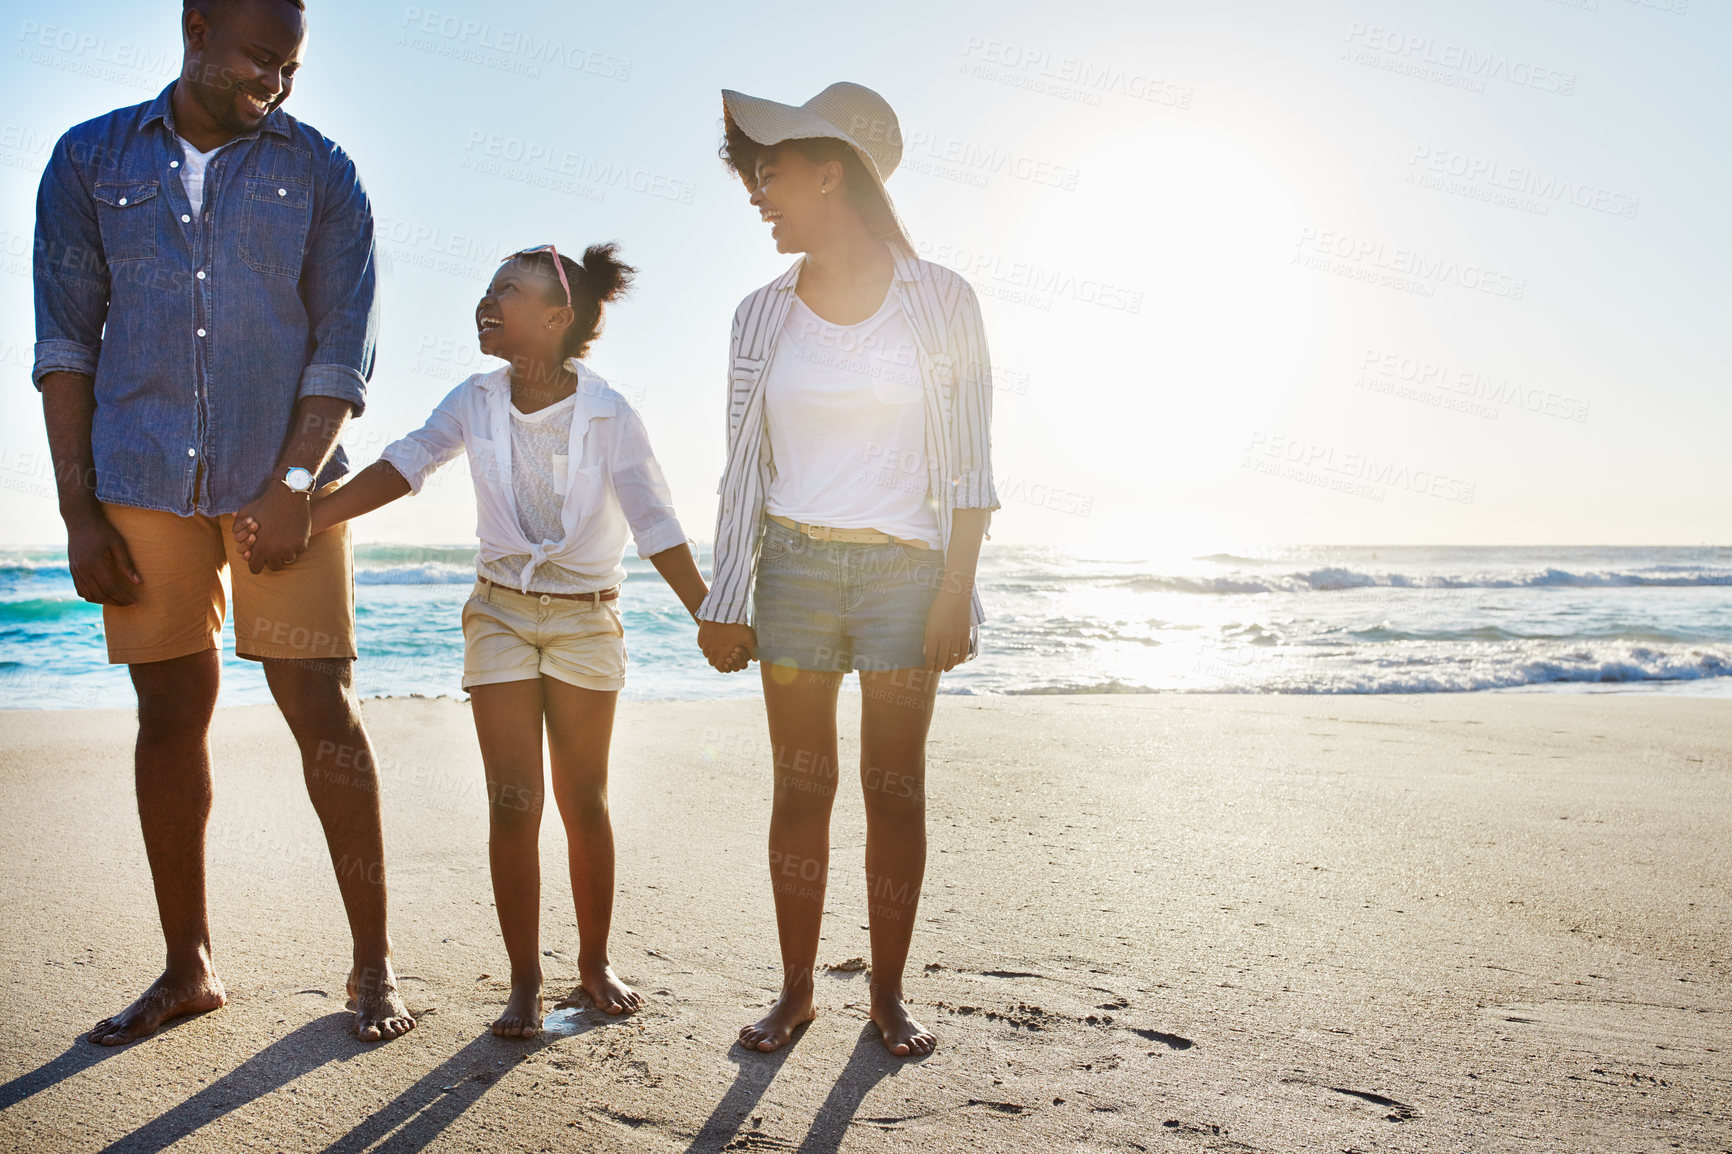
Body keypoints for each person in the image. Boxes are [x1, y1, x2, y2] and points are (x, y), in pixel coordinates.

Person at [33, 0, 414, 1043]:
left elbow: (344, 345)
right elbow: (64, 346)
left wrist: (295, 480)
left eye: (291, 68)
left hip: (279, 486)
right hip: (139, 477)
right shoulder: (86, 159)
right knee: (169, 714)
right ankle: (186, 965)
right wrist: (77, 509)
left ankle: (374, 967)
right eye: (259, 60)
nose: (276, 85)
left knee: (322, 709)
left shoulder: (325, 170)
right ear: (196, 28)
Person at [238, 243, 723, 1036]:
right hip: (499, 613)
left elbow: (654, 520)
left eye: (510, 289)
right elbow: (409, 462)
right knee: (511, 802)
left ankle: (593, 962)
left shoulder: (608, 412)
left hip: (584, 618)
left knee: (585, 801)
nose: (488, 300)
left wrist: (705, 610)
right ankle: (526, 981)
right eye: (489, 287)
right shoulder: (475, 398)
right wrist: (311, 515)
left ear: (557, 318)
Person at [695, 83, 999, 1057]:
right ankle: (794, 991)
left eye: (769, 172)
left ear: (831, 171)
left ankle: (891, 994)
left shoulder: (942, 299)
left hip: (908, 575)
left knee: (893, 786)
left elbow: (970, 463)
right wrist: (725, 597)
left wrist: (956, 588)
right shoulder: (756, 315)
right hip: (791, 570)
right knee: (799, 786)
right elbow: (742, 469)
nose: (756, 193)